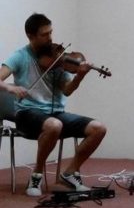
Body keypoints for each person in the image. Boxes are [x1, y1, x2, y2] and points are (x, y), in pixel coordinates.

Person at [0, 13, 107, 197]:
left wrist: (80, 76)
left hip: (56, 114)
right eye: (44, 34)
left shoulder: (58, 58)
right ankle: (36, 175)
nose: (50, 38)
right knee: (54, 125)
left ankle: (69, 173)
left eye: (51, 32)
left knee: (98, 128)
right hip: (27, 114)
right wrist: (11, 88)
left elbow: (67, 90)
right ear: (30, 36)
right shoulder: (20, 56)